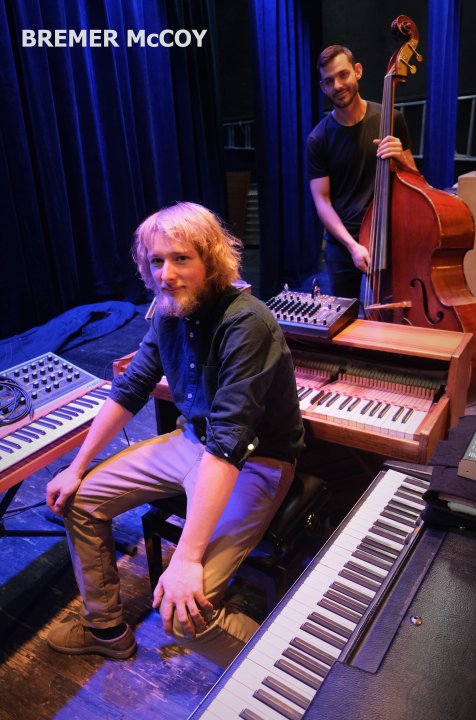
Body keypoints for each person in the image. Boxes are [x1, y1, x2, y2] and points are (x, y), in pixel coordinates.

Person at [45, 201, 304, 668]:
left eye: (181, 258)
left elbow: (229, 442)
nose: (166, 274)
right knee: (79, 500)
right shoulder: (168, 311)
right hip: (193, 443)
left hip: (254, 463)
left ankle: (288, 673)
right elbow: (130, 388)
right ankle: (105, 630)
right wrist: (76, 467)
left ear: (211, 259)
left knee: (186, 618)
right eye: (156, 261)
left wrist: (185, 558)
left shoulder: (247, 322)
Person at [307, 44, 417, 299]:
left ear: (357, 71)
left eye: (343, 75)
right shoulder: (318, 139)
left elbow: (415, 178)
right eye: (329, 81)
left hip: (389, 237)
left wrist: (401, 158)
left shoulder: (391, 119)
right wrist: (352, 246)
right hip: (343, 244)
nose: (337, 85)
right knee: (345, 317)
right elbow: (322, 201)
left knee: (392, 313)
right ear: (323, 87)